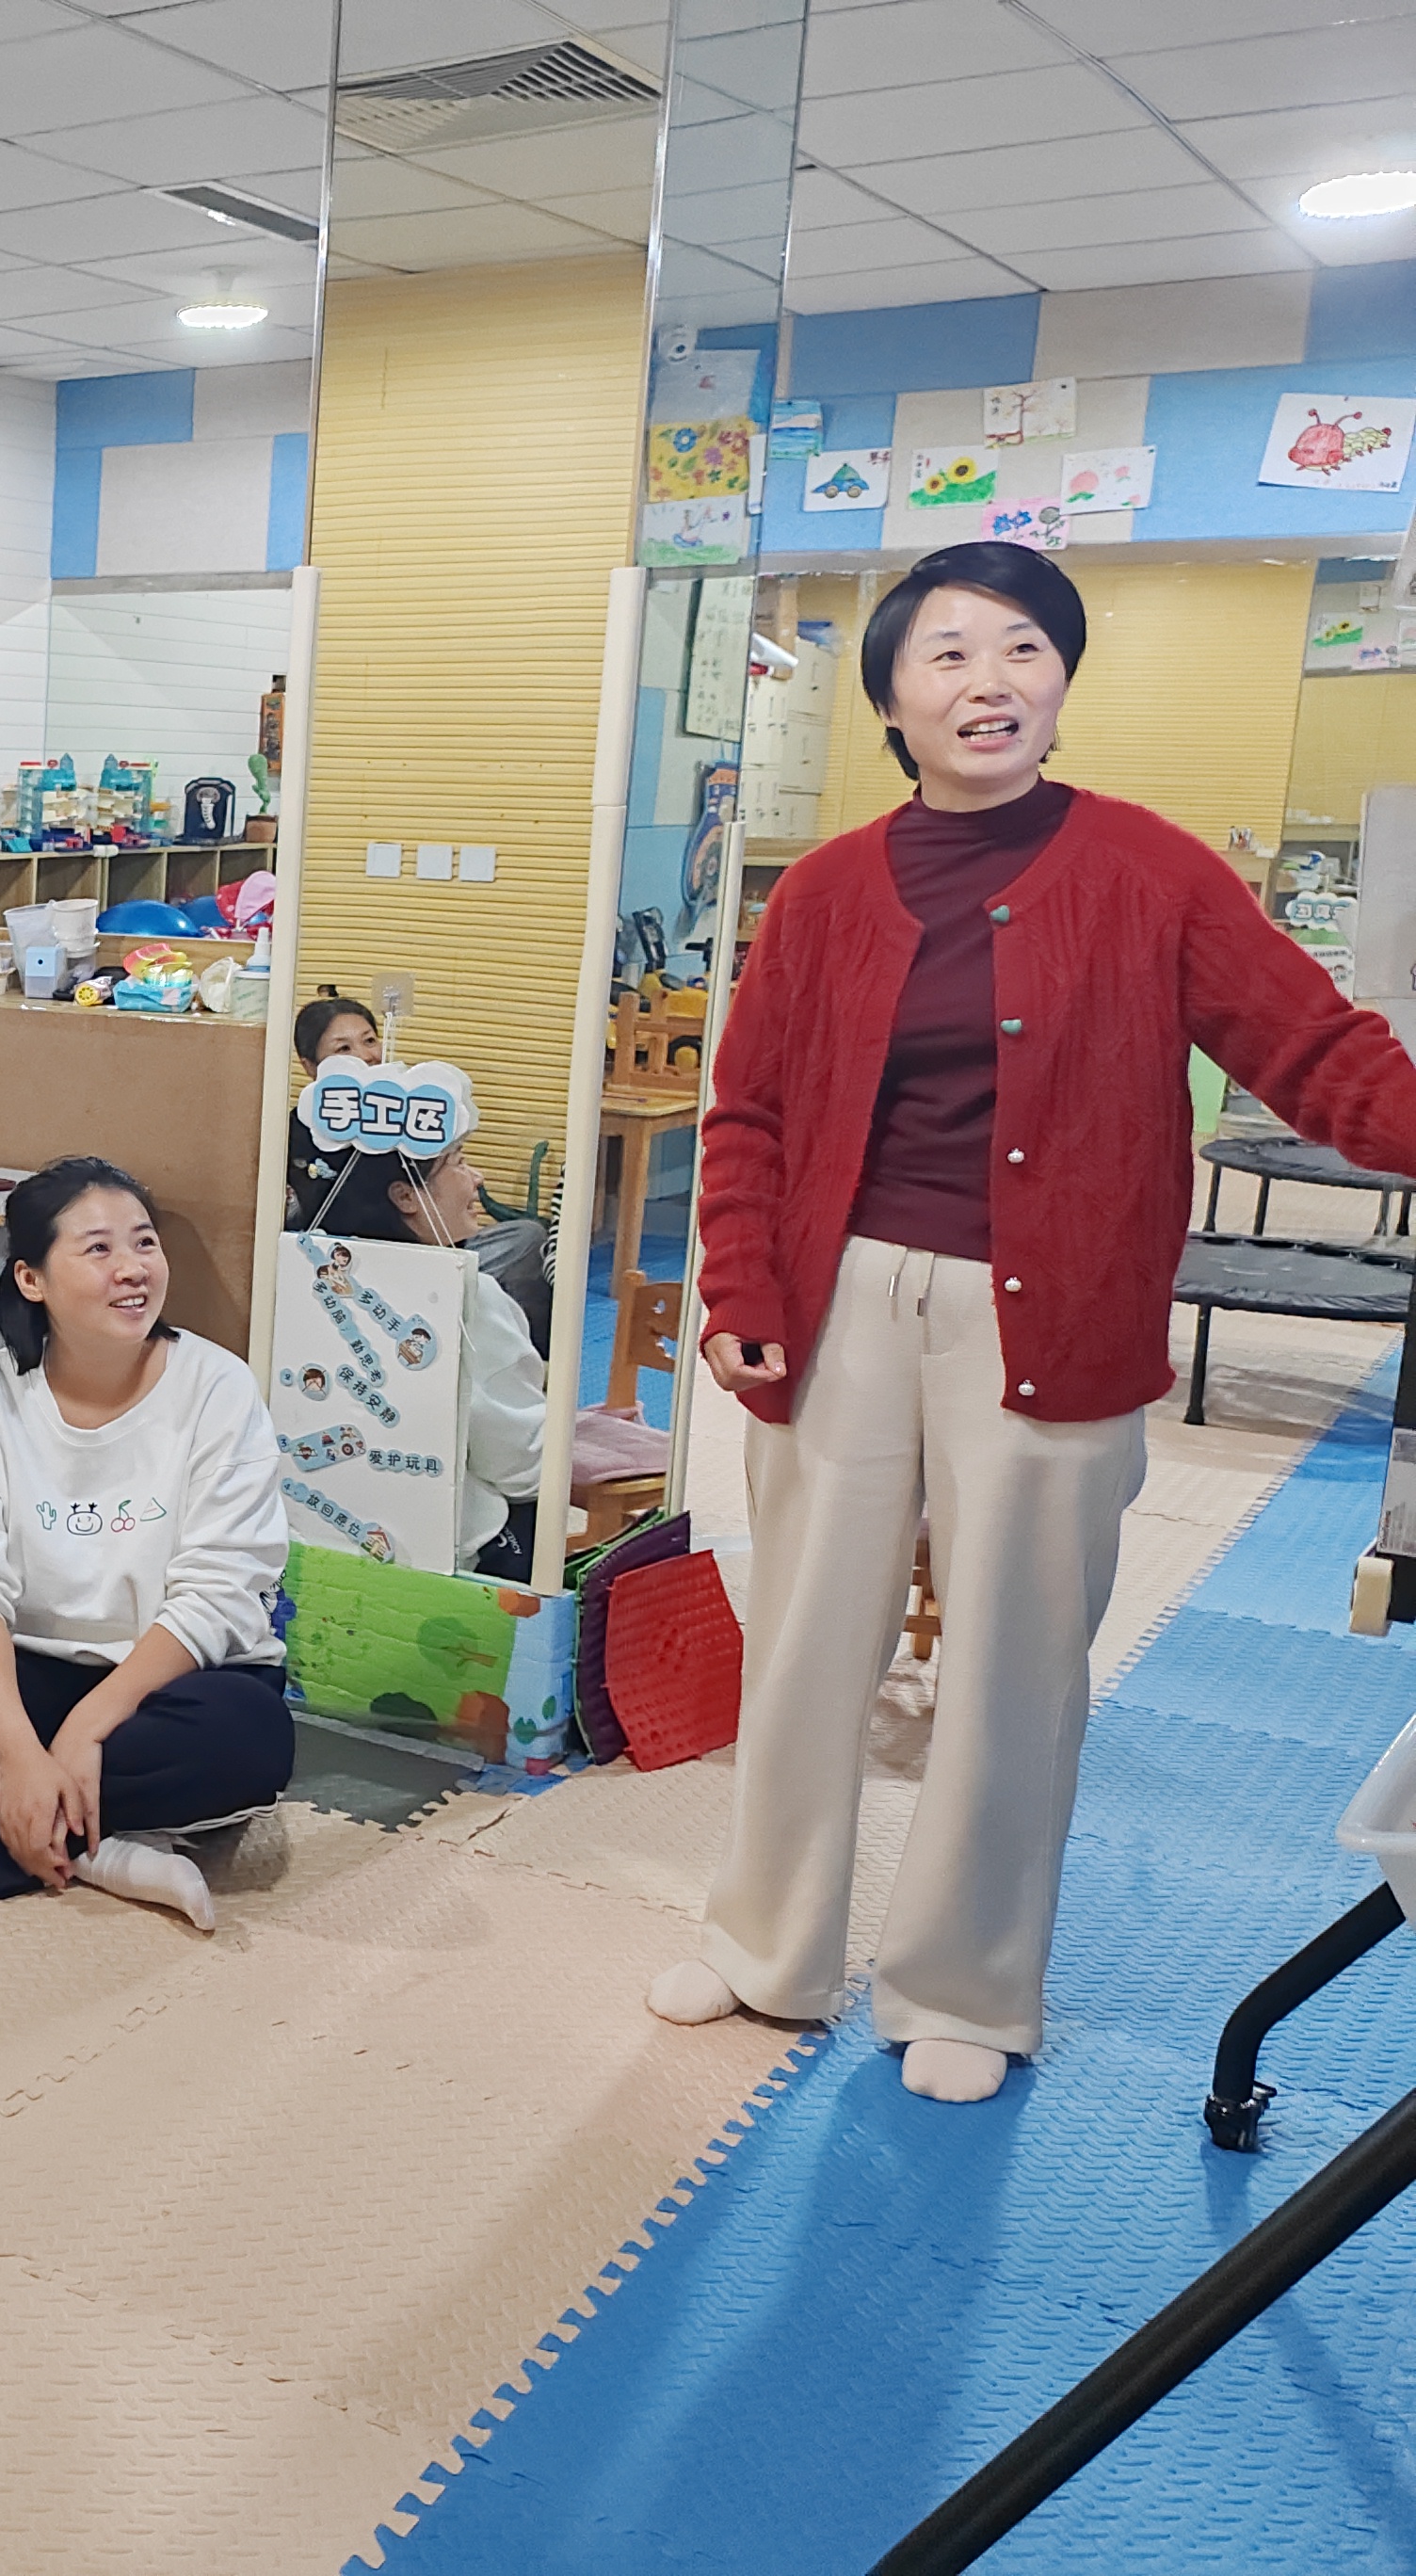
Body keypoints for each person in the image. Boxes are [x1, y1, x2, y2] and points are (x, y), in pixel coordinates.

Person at [654, 540, 1416, 2104]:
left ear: (1061, 684)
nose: (985, 680)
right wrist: (739, 1287)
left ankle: (965, 1986)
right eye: (944, 652)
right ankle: (765, 1945)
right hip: (839, 1304)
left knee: (1015, 1666)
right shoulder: (822, 890)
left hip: (1052, 1317)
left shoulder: (1152, 871)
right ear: (889, 698)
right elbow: (749, 1113)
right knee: (803, 1644)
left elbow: (1315, 1051)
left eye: (1020, 648)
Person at [0, 1158, 295, 1934]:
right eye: (99, 1249)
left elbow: (221, 1591)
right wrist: (17, 1752)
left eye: (144, 1242)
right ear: (31, 1279)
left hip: (169, 1681)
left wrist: (86, 1728)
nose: (133, 1268)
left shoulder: (217, 1388)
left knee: (251, 1736)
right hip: (30, 1672)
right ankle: (97, 1845)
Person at [298, 1064, 545, 1580]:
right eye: (459, 1161)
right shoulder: (469, 1298)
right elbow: (522, 1466)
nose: (476, 1178)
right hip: (450, 1563)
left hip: (309, 1546)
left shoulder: (295, 1277)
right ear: (406, 1196)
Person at [284, 991, 381, 1229]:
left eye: (370, 1041)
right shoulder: (290, 1135)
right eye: (344, 1048)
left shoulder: (404, 1123)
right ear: (310, 1066)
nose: (366, 1057)